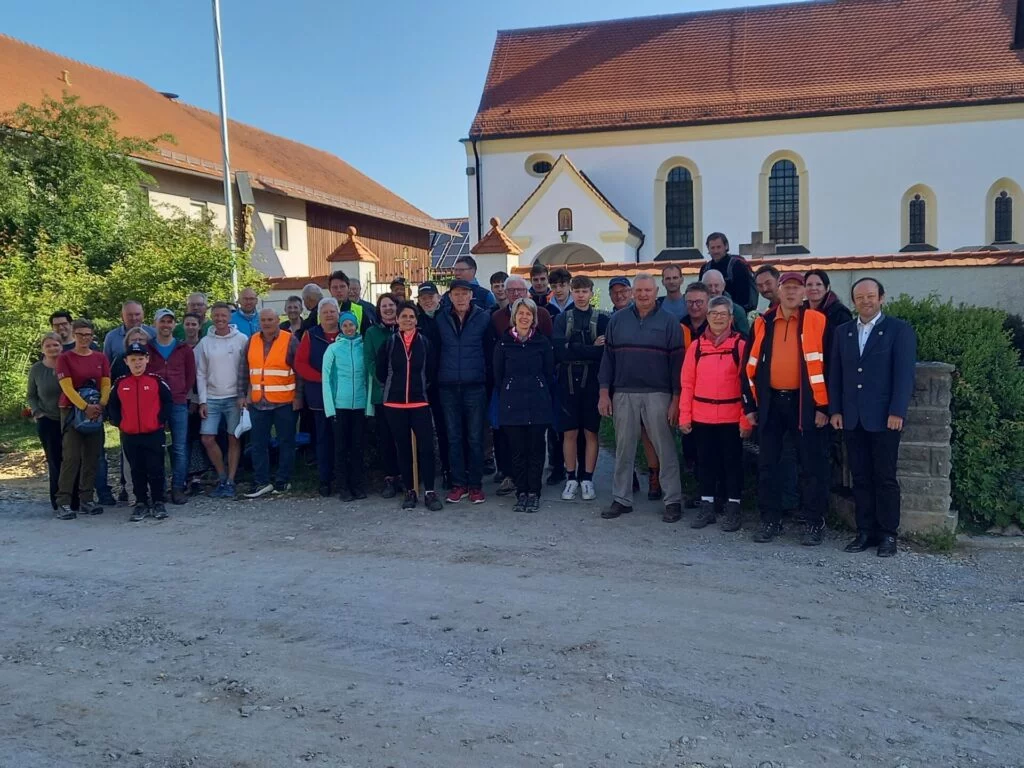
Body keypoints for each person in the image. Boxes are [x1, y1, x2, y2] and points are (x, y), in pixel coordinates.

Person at [830, 277, 917, 558]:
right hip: (853, 417)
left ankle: (888, 534)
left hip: (884, 418)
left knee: (885, 478)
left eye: (871, 296)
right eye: (860, 297)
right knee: (861, 478)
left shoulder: (898, 330)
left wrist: (897, 411)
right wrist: (836, 411)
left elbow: (904, 376)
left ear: (881, 297)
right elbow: (836, 375)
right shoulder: (843, 332)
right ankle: (864, 531)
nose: (865, 301)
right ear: (853, 301)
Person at [743, 272, 830, 545]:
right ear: (778, 292)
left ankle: (814, 523)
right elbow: (749, 365)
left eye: (797, 288)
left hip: (805, 403)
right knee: (768, 464)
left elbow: (829, 367)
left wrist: (824, 408)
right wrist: (751, 405)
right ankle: (770, 520)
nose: (792, 292)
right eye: (787, 287)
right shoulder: (763, 322)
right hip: (770, 403)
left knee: (811, 465)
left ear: (805, 293)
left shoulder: (817, 321)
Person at [597, 273, 684, 522]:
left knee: (665, 447)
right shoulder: (618, 320)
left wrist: (676, 399)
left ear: (656, 292)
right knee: (624, 447)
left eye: (648, 290)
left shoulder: (669, 322)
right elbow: (608, 359)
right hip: (624, 393)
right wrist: (604, 392)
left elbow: (677, 364)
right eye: (639, 290)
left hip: (659, 393)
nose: (643, 295)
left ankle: (673, 500)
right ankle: (622, 498)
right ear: (633, 293)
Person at [678, 295, 751, 532]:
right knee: (705, 463)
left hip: (731, 417)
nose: (718, 318)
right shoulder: (697, 347)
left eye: (723, 314)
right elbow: (687, 383)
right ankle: (707, 506)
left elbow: (747, 386)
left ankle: (733, 508)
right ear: (707, 317)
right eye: (714, 314)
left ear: (731, 317)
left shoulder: (741, 346)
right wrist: (684, 416)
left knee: (732, 464)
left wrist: (745, 419)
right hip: (702, 416)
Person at [377, 301, 444, 511]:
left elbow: (431, 371)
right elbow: (380, 372)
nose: (408, 320)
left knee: (425, 447)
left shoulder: (425, 343)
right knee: (403, 448)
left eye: (411, 317)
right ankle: (409, 490)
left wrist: (420, 388)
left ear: (417, 320)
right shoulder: (388, 344)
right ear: (397, 320)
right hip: (394, 403)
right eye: (403, 316)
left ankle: (430, 492)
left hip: (419, 401)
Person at [494, 298, 554, 513]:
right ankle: (521, 492)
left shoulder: (542, 342)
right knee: (517, 451)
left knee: (536, 450)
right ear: (514, 317)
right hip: (512, 405)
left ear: (534, 318)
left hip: (538, 403)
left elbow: (548, 373)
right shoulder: (503, 343)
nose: (524, 317)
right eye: (520, 313)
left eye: (528, 313)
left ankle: (534, 492)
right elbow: (498, 375)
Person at [437, 279, 495, 503]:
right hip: (448, 386)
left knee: (475, 437)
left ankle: (475, 485)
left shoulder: (483, 317)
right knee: (453, 437)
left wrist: (487, 380)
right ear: (450, 297)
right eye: (456, 294)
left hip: (475, 385)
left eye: (465, 293)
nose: (460, 298)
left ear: (472, 295)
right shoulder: (441, 318)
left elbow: (489, 350)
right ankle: (458, 484)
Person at [553, 276, 608, 502]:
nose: (581, 295)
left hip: (592, 382)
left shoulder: (602, 319)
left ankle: (587, 479)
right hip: (567, 382)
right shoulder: (561, 318)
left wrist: (574, 348)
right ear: (571, 293)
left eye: (585, 291)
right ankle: (571, 478)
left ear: (591, 293)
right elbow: (560, 351)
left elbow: (603, 353)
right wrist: (588, 348)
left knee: (591, 432)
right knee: (569, 432)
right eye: (577, 291)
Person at [239, 308, 301, 498]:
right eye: (263, 320)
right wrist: (242, 395)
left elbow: (300, 370)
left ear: (277, 320)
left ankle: (282, 480)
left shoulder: (290, 340)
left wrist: (299, 396)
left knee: (286, 442)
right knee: (258, 444)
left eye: (270, 319)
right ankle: (262, 481)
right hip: (258, 402)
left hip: (285, 403)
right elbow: (244, 369)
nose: (266, 323)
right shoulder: (252, 341)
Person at [108, 342, 173, 522]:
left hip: (153, 433)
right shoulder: (121, 383)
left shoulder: (156, 381)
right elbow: (112, 405)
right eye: (133, 359)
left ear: (147, 360)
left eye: (140, 359)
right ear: (126, 361)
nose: (137, 363)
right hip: (130, 435)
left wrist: (159, 420)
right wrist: (119, 422)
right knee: (137, 469)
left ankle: (159, 501)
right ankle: (141, 502)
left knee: (155, 468)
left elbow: (168, 402)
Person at [55, 319, 111, 519]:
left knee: (92, 455)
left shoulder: (100, 357)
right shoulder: (65, 358)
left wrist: (101, 404)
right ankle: (64, 501)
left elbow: (105, 383)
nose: (85, 338)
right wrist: (84, 407)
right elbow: (67, 387)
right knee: (71, 457)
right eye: (81, 335)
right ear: (74, 334)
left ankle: (87, 498)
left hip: (95, 408)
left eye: (88, 335)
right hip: (72, 410)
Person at [195, 302, 249, 499]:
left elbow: (247, 369)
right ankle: (222, 475)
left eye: (223, 316)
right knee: (207, 438)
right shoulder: (204, 343)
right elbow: (200, 373)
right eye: (216, 315)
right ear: (211, 317)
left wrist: (244, 395)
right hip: (212, 398)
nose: (219, 319)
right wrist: (202, 401)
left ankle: (231, 481)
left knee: (233, 438)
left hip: (235, 397)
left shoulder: (242, 339)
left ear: (230, 317)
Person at [146, 308, 196, 505]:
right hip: (154, 403)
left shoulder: (184, 349)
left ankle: (178, 487)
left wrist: (183, 391)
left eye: (169, 322)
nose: (166, 325)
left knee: (180, 447)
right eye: (162, 321)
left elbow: (190, 374)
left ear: (174, 325)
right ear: (155, 324)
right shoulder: (148, 348)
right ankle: (158, 488)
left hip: (178, 402)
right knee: (156, 447)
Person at [319, 310, 369, 502]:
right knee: (341, 448)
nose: (349, 328)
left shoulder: (363, 347)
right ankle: (343, 487)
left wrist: (368, 407)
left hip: (359, 405)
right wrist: (330, 409)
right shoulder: (332, 349)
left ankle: (357, 485)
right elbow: (326, 380)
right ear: (341, 327)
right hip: (340, 406)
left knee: (357, 447)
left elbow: (368, 377)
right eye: (345, 325)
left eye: (351, 325)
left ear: (356, 326)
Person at [295, 297, 342, 495]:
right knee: (323, 439)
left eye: (333, 312)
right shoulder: (310, 335)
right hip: (320, 396)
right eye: (326, 312)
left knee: (342, 439)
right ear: (319, 315)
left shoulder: (347, 333)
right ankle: (325, 480)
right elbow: (300, 364)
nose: (329, 315)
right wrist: (322, 378)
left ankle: (343, 479)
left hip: (344, 396)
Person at [28, 333, 74, 513]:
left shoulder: (69, 364)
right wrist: (37, 412)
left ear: (61, 346)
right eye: (48, 346)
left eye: (56, 345)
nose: (53, 348)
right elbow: (31, 395)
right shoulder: (37, 369)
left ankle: (75, 497)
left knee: (71, 459)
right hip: (48, 420)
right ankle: (58, 499)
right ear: (42, 349)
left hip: (69, 418)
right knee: (55, 461)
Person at [363, 293, 402, 497]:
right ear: (379, 310)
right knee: (386, 438)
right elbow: (369, 360)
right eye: (383, 306)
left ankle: (407, 475)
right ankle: (390, 477)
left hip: (405, 394)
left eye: (391, 305)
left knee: (403, 437)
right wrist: (383, 380)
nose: (387, 309)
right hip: (383, 394)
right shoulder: (372, 333)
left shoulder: (406, 328)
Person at [804, 269, 853, 376]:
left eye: (818, 284)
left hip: (831, 370)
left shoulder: (840, 313)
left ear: (827, 288)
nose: (813, 288)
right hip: (806, 370)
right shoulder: (801, 310)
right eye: (809, 285)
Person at [698, 232, 757, 312]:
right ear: (708, 249)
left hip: (734, 313)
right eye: (712, 248)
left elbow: (743, 297)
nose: (716, 251)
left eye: (719, 247)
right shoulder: (705, 268)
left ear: (726, 246)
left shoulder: (737, 266)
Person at [702, 269, 750, 336]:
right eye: (709, 286)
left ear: (723, 286)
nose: (713, 290)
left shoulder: (736, 311)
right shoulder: (697, 308)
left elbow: (746, 339)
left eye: (716, 285)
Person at [681, 281, 710, 348]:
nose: (694, 306)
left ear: (708, 302)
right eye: (690, 302)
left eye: (699, 302)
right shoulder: (680, 327)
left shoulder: (717, 326)